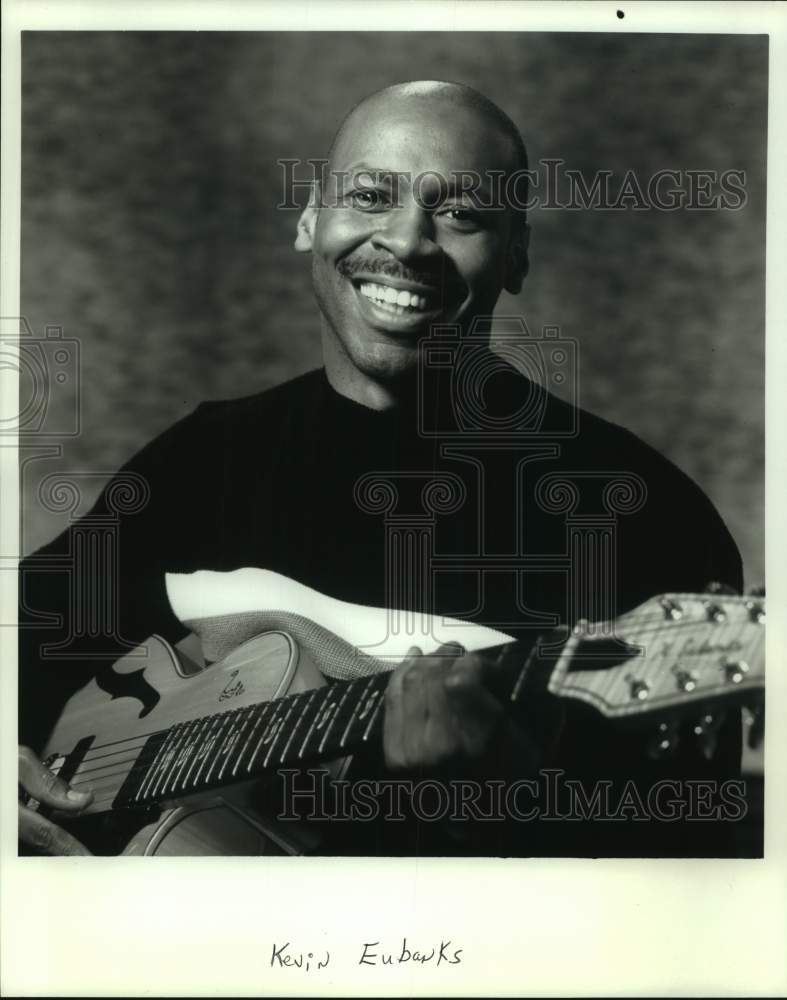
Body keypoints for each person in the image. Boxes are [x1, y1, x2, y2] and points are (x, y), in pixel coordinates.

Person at [18, 81, 745, 857]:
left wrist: (502, 792)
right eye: (369, 195)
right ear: (310, 218)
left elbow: (686, 876)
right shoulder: (209, 457)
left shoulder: (639, 514)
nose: (405, 241)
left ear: (517, 252)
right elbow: (27, 630)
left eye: (461, 213)